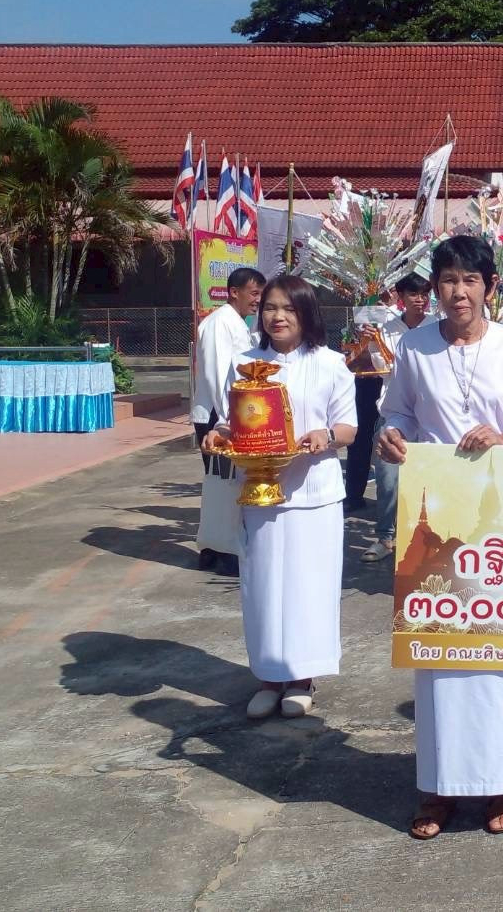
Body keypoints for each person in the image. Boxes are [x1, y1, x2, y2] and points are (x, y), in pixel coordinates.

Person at [375, 235, 503, 839]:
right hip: (435, 512)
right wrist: (392, 436)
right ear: (436, 288)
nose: (459, 292)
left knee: (499, 643)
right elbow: (397, 411)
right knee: (440, 648)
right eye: (449, 280)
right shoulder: (415, 346)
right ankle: (438, 785)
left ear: (489, 287)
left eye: (471, 280)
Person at [202, 275, 358, 719]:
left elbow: (348, 427)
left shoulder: (331, 364)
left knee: (309, 588)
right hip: (259, 493)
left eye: (289, 308)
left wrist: (325, 436)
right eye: (270, 307)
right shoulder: (244, 363)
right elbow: (232, 421)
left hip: (314, 494)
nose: (278, 316)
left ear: (306, 313)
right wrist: (218, 434)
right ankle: (269, 677)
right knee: (263, 587)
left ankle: (302, 678)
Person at [191, 266, 265, 575]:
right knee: (224, 484)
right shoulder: (220, 323)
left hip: (228, 413)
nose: (258, 300)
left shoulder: (238, 323)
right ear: (234, 292)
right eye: (254, 293)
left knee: (221, 485)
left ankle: (213, 549)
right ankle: (224, 552)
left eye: (260, 294)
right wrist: (227, 420)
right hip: (218, 415)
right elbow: (218, 374)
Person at [360, 274, 433, 563]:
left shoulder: (438, 327)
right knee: (387, 480)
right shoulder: (386, 328)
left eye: (425, 293)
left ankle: (420, 538)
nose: (420, 300)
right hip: (393, 412)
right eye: (413, 294)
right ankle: (385, 537)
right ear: (400, 297)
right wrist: (373, 342)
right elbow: (383, 369)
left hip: (429, 415)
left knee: (426, 481)